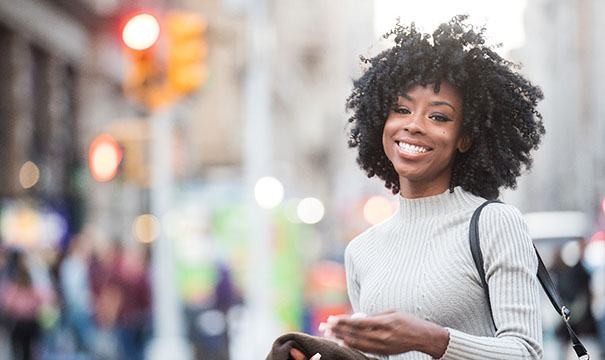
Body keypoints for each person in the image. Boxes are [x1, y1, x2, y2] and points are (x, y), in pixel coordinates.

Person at [297, 15, 546, 359]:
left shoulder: (494, 224)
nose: (413, 125)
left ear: (465, 137)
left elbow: (526, 353)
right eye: (401, 109)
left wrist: (434, 340)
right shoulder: (362, 251)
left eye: (439, 116)